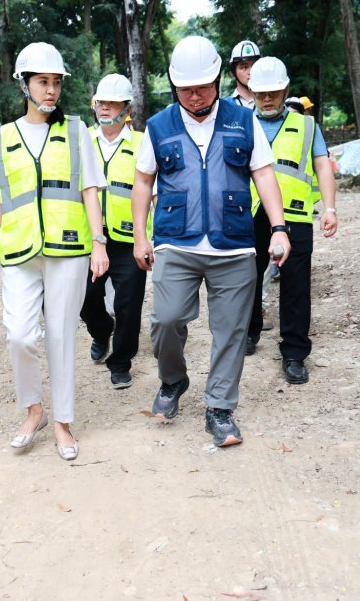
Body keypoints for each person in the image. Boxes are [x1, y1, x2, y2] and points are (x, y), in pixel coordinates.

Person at [131, 35, 291, 448]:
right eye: (187, 89)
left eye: (203, 86)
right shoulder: (159, 126)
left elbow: (264, 174)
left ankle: (219, 409)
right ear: (174, 86)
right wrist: (139, 236)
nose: (196, 95)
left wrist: (278, 227)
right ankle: (172, 381)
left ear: (219, 79)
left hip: (234, 245)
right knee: (166, 320)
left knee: (232, 331)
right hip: (175, 242)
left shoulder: (243, 119)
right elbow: (144, 180)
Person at [0, 42, 109, 461]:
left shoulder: (77, 132)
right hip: (17, 252)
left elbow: (90, 190)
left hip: (68, 249)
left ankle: (62, 422)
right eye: (42, 82)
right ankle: (34, 410)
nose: (51, 90)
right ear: (25, 86)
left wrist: (98, 242)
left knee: (60, 336)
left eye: (56, 82)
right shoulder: (0, 139)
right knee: (19, 335)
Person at [243, 58, 337, 384]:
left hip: (295, 214)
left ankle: (295, 352)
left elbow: (322, 165)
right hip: (249, 212)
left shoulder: (307, 126)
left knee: (296, 285)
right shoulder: (239, 123)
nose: (267, 99)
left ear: (285, 90)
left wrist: (329, 208)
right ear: (252, 92)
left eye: (273, 92)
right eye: (261, 93)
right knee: (247, 277)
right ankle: (250, 331)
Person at [79, 73, 149, 390]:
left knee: (128, 303)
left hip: (128, 238)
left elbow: (153, 191)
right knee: (86, 297)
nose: (104, 108)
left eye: (112, 103)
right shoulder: (81, 141)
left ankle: (120, 361)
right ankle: (101, 329)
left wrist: (146, 237)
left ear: (126, 108)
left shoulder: (142, 143)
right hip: (89, 237)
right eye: (100, 102)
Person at [223, 40, 261, 110]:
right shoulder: (224, 107)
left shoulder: (272, 102)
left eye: (254, 65)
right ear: (233, 71)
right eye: (244, 67)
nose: (250, 72)